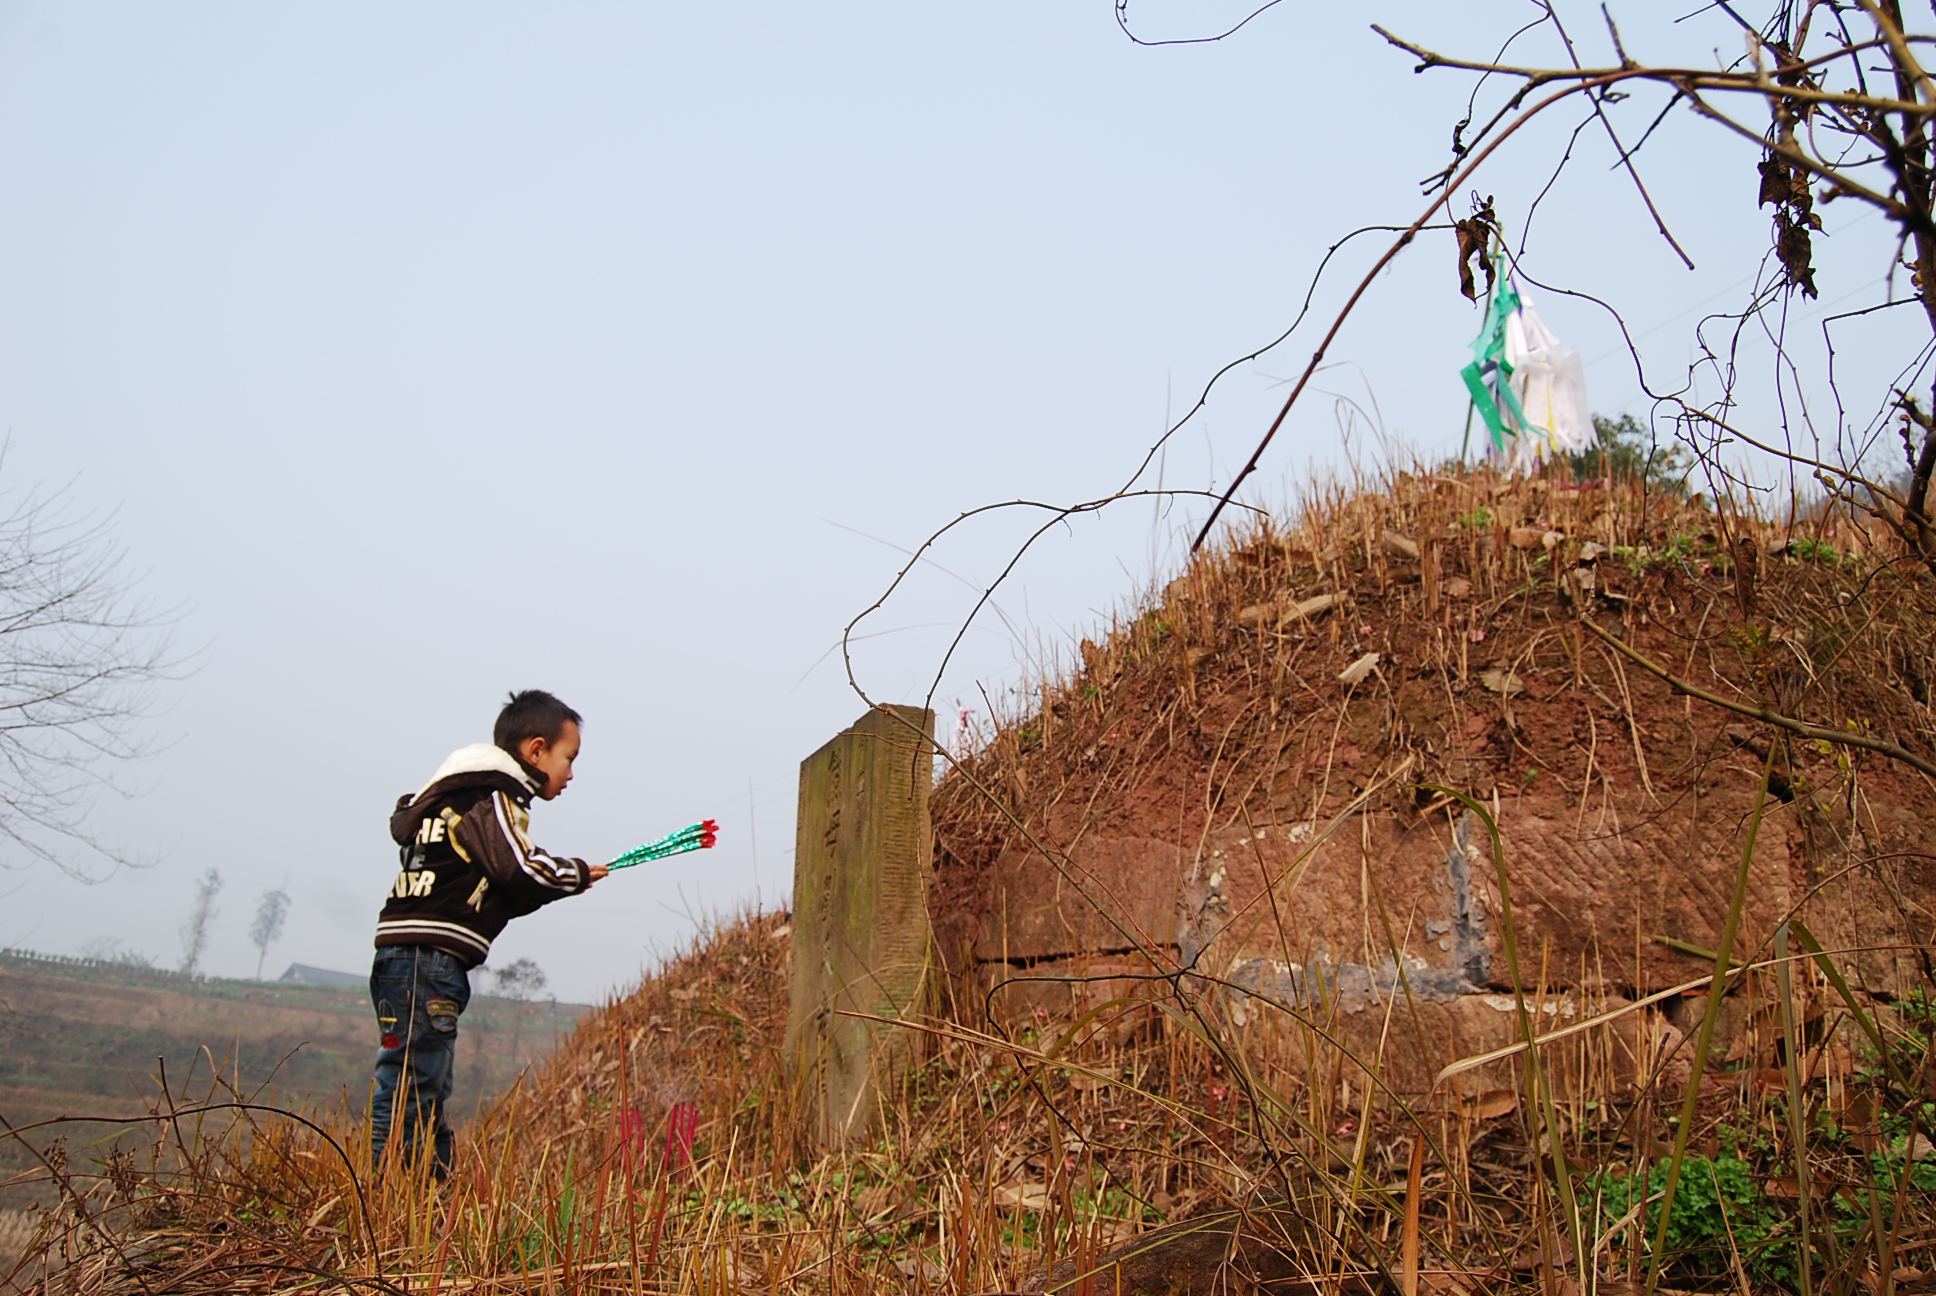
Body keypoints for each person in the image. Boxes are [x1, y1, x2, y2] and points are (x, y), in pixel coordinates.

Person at [367, 689, 608, 1180]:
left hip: (402, 956)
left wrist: (559, 883)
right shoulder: (491, 794)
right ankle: (395, 1190)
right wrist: (574, 873)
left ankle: (425, 1190)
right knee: (415, 1082)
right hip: (428, 959)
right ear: (536, 750)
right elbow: (517, 868)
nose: (571, 774)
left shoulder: (448, 799)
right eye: (569, 758)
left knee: (419, 1078)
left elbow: (497, 887)